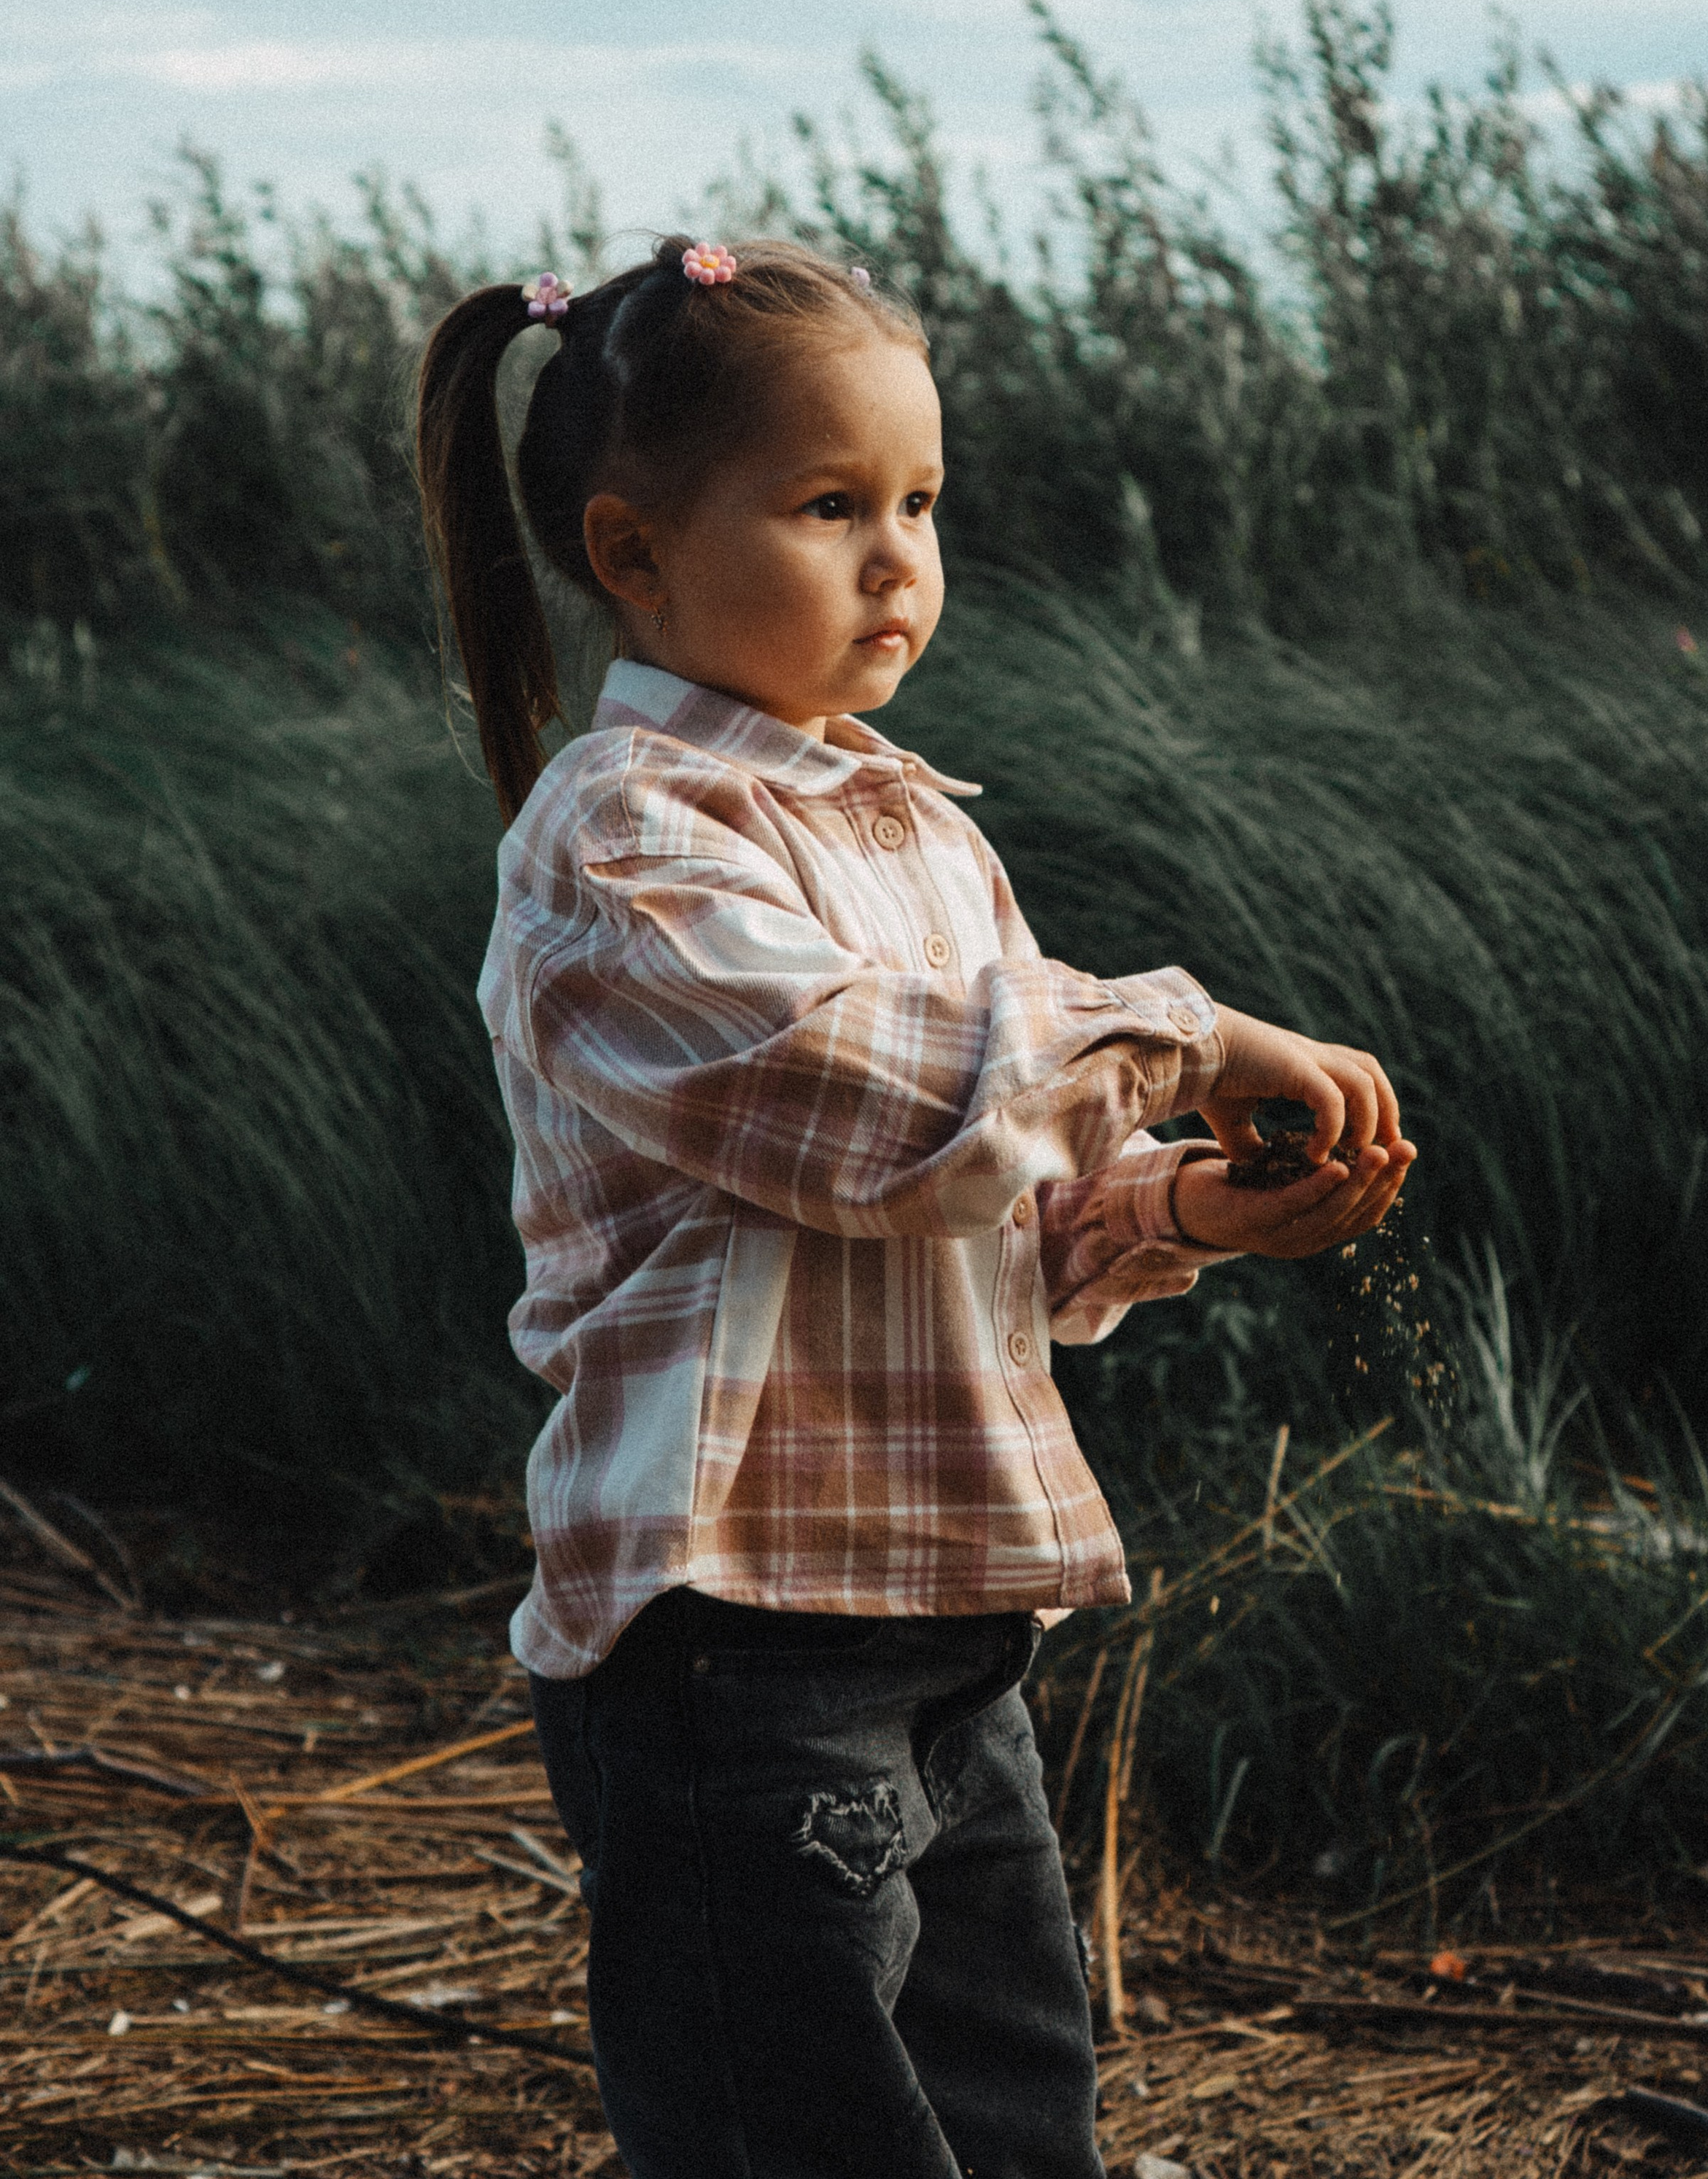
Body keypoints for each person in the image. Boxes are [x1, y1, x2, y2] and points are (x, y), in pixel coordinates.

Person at [415, 235, 1415, 2179]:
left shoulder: (926, 838)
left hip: (947, 1608)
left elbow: (1003, 1212)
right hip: (731, 1638)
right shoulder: (623, 834)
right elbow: (856, 1103)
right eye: (829, 505)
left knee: (1008, 2118)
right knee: (794, 2138)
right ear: (633, 553)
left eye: (922, 505)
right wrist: (1181, 1029)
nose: (900, 561)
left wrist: (1192, 1208)